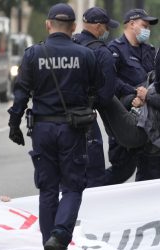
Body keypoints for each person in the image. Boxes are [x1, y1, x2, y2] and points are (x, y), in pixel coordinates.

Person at [7, 3, 105, 250]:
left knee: (47, 189)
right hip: (73, 129)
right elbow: (97, 88)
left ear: (48, 24)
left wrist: (14, 124)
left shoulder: (33, 54)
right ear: (73, 27)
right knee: (72, 186)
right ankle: (60, 237)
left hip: (42, 129)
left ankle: (50, 249)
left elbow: (21, 94)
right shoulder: (85, 55)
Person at [107, 8, 159, 183]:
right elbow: (110, 81)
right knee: (121, 171)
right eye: (144, 25)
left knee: (149, 169)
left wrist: (147, 95)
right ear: (131, 24)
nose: (147, 30)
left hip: (149, 118)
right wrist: (135, 92)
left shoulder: (149, 50)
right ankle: (90, 191)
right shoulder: (115, 49)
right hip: (127, 114)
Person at [72, 6, 119, 187]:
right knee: (94, 175)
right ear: (98, 27)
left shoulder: (68, 44)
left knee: (66, 176)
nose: (107, 31)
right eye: (107, 27)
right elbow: (106, 94)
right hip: (85, 120)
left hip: (56, 120)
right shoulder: (102, 52)